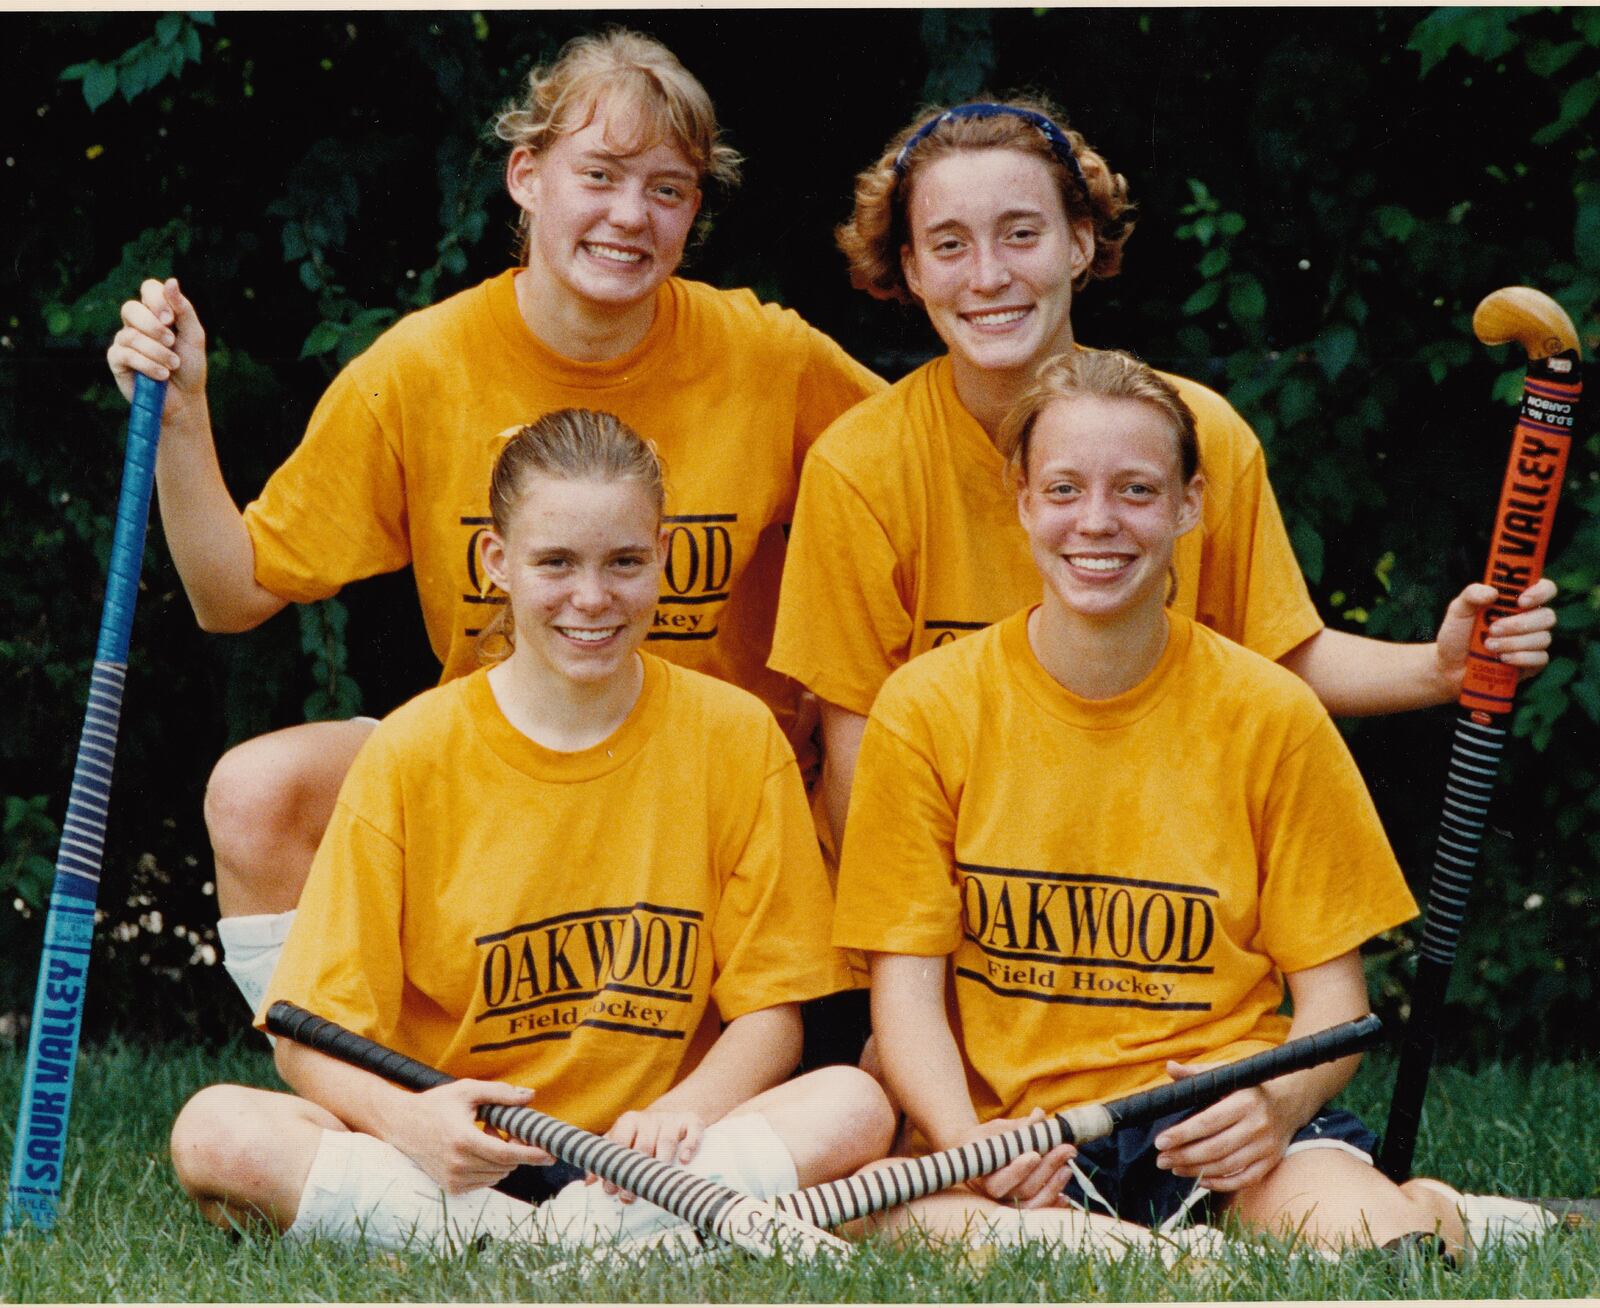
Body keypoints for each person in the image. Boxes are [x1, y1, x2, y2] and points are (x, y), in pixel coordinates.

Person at [104, 29, 883, 1018]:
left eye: (668, 189)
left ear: (695, 210)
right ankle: (356, 1103)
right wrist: (180, 420)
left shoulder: (769, 358)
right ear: (526, 175)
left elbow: (933, 479)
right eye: (597, 174)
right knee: (260, 793)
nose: (628, 215)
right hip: (509, 781)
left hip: (711, 800)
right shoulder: (423, 367)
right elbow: (231, 594)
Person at [832, 350, 1520, 1257]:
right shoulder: (927, 708)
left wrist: (1275, 1105)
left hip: (1217, 1125)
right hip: (1022, 1135)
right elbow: (908, 1002)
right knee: (888, 1223)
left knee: (1370, 1246)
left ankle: (1421, 1207)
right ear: (1023, 498)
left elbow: (1334, 1006)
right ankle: (1156, 1256)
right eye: (1066, 488)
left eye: (1137, 491)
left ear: (1192, 502)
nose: (1097, 523)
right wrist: (967, 1145)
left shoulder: (1269, 713)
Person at [168, 410, 895, 1252]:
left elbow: (773, 1017)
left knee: (852, 1103)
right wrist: (409, 1121)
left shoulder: (732, 737)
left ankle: (542, 1245)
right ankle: (567, 1250)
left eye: (624, 562)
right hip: (462, 1162)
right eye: (556, 562)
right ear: (497, 563)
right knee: (216, 1132)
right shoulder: (412, 751)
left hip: (655, 1155)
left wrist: (679, 1115)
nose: (592, 598)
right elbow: (303, 1035)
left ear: (662, 560)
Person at [769, 97, 1556, 852]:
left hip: (1154, 897)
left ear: (1079, 243)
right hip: (961, 927)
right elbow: (858, 751)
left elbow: (1274, 655)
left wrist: (1438, 667)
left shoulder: (1196, 434)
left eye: (1020, 234)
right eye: (948, 245)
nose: (986, 276)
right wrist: (907, 971)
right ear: (909, 268)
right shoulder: (861, 463)